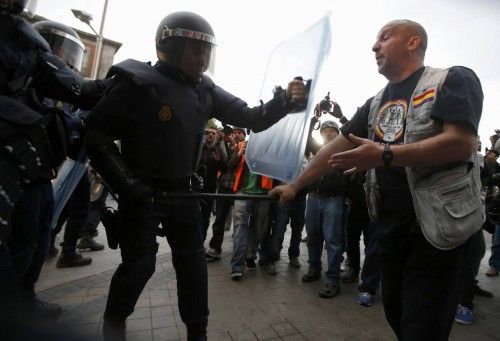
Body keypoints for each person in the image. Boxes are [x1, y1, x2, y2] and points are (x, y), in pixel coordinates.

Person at [84, 11, 306, 340]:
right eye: (193, 50)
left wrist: (286, 99)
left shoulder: (205, 89)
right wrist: (127, 185)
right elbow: (96, 133)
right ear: (169, 46)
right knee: (140, 265)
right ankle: (113, 325)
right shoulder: (136, 82)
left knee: (193, 264)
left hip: (184, 192)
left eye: (206, 51)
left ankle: (197, 332)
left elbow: (251, 117)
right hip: (143, 194)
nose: (201, 58)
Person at [271, 19, 483, 340]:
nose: (374, 46)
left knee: (421, 327)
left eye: (384, 37)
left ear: (413, 42)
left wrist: (384, 155)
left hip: (436, 230)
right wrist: (296, 185)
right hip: (388, 231)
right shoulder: (373, 104)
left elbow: (460, 143)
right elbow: (333, 149)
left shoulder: (452, 79)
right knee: (397, 317)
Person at [0, 0, 107, 323]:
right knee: (13, 239)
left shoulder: (38, 83)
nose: (66, 63)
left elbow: (75, 97)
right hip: (10, 162)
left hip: (35, 171)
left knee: (37, 235)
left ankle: (23, 296)